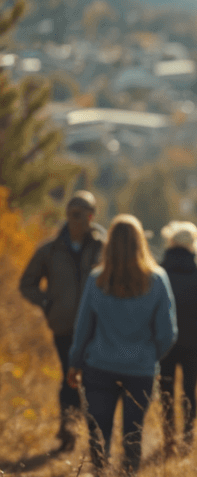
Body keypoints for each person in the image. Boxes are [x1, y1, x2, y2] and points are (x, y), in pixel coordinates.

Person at [66, 214, 177, 477]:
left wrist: (74, 362)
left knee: (99, 429)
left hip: (99, 366)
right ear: (141, 243)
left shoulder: (96, 280)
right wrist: (150, 355)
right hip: (140, 369)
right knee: (133, 432)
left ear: (110, 244)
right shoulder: (158, 279)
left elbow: (82, 328)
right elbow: (168, 333)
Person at [19, 190, 106, 452]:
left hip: (96, 328)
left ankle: (94, 437)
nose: (75, 219)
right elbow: (27, 284)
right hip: (64, 325)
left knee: (92, 380)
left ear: (91, 217)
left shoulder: (103, 247)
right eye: (71, 214)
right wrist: (47, 303)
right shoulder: (50, 250)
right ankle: (68, 432)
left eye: (81, 214)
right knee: (70, 377)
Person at [158, 221, 197, 455]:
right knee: (189, 391)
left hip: (163, 344)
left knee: (165, 390)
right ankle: (187, 437)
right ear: (194, 245)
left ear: (170, 243)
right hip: (194, 345)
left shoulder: (158, 272)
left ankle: (168, 438)